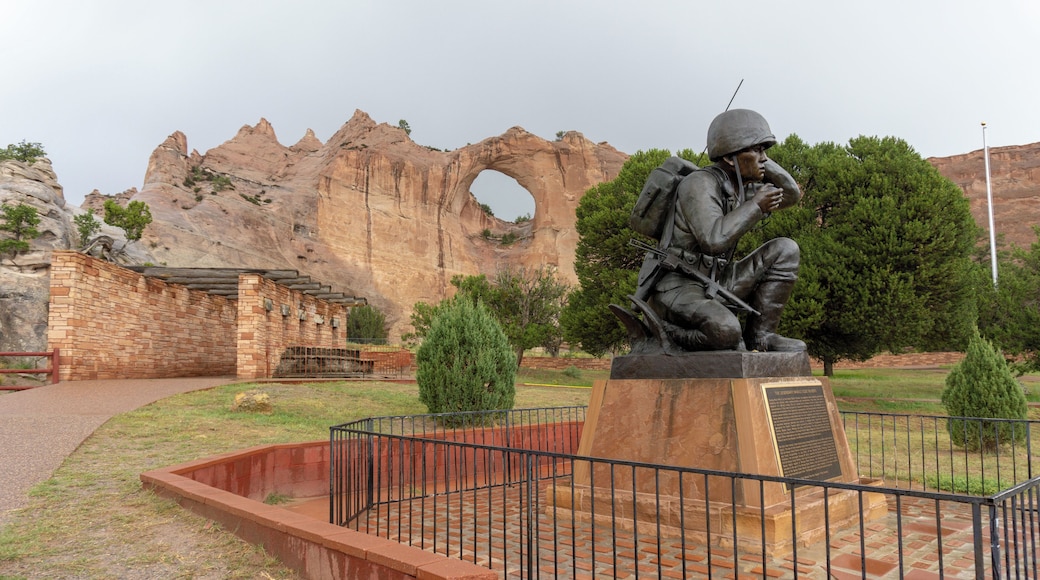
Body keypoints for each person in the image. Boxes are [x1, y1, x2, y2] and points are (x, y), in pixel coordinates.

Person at [645, 109, 806, 352]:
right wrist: (755, 206)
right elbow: (714, 239)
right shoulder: (699, 184)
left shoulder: (739, 189)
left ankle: (761, 337)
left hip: (717, 281)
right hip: (678, 286)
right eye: (758, 150)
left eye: (765, 150)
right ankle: (665, 331)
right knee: (727, 332)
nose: (764, 158)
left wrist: (755, 156)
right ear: (730, 158)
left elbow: (791, 194)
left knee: (786, 249)